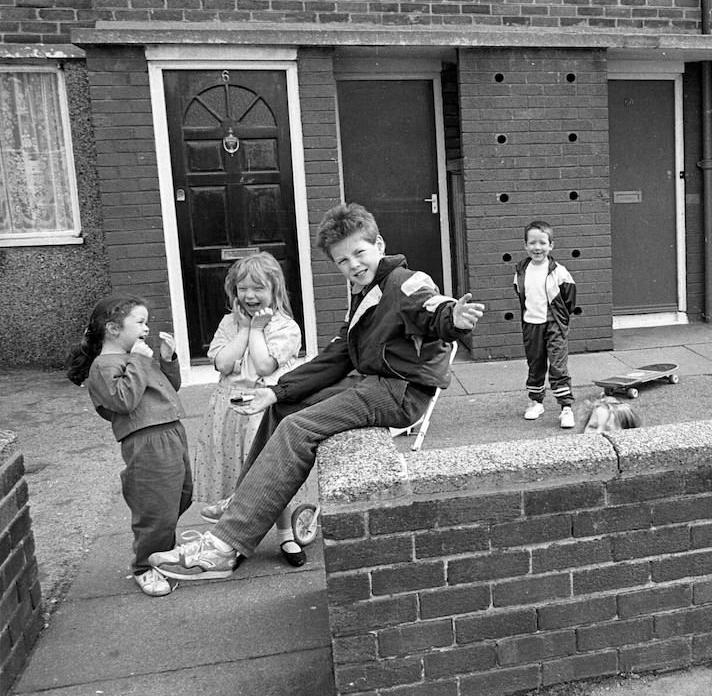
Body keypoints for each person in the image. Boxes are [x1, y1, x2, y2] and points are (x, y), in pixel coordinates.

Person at [149, 202, 484, 581]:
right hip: (372, 383)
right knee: (284, 408)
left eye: (360, 253)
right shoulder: (364, 291)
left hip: (399, 392)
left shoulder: (405, 281)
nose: (353, 265)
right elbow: (338, 356)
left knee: (298, 428)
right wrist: (276, 392)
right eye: (343, 261)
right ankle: (244, 498)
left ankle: (224, 546)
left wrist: (452, 317)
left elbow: (430, 306)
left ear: (379, 244)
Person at [65, 294, 192, 597]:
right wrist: (138, 360)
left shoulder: (137, 357)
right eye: (139, 322)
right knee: (155, 508)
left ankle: (163, 548)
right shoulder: (104, 366)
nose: (146, 328)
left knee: (181, 496)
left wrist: (167, 359)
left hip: (172, 430)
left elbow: (167, 388)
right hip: (145, 439)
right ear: (112, 328)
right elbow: (124, 400)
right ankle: (145, 566)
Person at [193, 253, 311, 567]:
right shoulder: (229, 323)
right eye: (243, 288)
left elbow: (263, 364)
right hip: (230, 409)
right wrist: (244, 330)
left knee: (272, 474)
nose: (249, 295)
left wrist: (257, 331)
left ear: (275, 290)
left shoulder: (285, 327)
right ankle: (233, 540)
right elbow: (222, 362)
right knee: (237, 470)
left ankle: (286, 536)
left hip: (266, 411)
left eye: (258, 288)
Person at [513, 220, 577, 429]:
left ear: (551, 246)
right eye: (532, 243)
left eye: (542, 243)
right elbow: (521, 295)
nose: (537, 247)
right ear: (525, 245)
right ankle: (536, 402)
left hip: (554, 325)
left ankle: (566, 408)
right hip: (531, 325)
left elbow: (569, 298)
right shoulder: (521, 271)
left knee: (558, 366)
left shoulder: (559, 272)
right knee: (535, 364)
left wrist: (561, 321)